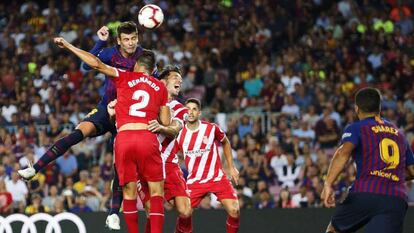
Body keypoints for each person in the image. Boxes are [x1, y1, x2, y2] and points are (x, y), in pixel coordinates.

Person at [18, 21, 143, 230]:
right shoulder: (110, 53)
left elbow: (154, 82)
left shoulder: (144, 57)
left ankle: (113, 213)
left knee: (119, 164)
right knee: (78, 132)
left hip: (129, 116)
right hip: (106, 108)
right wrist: (99, 42)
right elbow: (86, 66)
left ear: (137, 38)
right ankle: (35, 169)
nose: (131, 43)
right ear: (119, 41)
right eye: (127, 40)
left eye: (134, 39)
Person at [52, 37, 170, 233]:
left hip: (123, 138)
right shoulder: (161, 87)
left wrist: (68, 46)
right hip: (146, 137)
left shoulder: (124, 75)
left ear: (138, 65)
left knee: (129, 193)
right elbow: (165, 123)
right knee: (156, 192)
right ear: (152, 69)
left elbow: (95, 63)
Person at [321, 87, 414, 233]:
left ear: (357, 108)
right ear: (379, 108)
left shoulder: (357, 128)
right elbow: (412, 171)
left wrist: (328, 184)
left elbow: (342, 153)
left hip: (366, 192)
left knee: (334, 230)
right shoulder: (399, 133)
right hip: (396, 199)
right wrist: (389, 176)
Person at [174, 98, 241, 233]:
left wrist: (231, 167)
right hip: (195, 181)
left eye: (194, 109)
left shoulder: (211, 128)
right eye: (188, 109)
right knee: (184, 214)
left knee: (235, 210)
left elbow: (226, 142)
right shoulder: (179, 134)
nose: (190, 112)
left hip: (216, 177)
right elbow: (171, 155)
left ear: (199, 112)